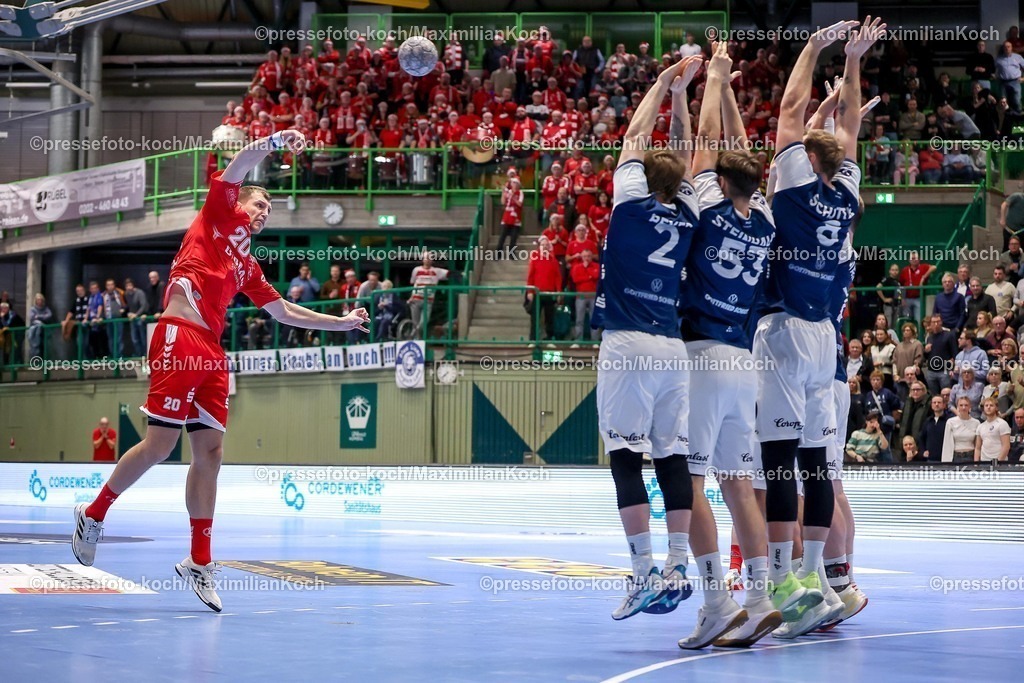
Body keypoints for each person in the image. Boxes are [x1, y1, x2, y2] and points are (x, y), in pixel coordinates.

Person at [72, 129, 370, 613]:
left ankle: (199, 560)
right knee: (161, 444)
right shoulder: (215, 215)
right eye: (259, 207)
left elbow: (284, 312)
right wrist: (273, 140)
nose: (262, 214)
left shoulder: (247, 265)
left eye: (268, 213)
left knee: (210, 451)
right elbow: (239, 166)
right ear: (239, 203)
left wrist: (340, 322)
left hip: (212, 351)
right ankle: (94, 514)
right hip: (177, 334)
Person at [753, 16, 882, 638]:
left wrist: (814, 45)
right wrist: (855, 63)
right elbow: (851, 128)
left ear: (805, 160)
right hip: (828, 340)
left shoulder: (797, 189)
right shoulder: (848, 197)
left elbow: (789, 107)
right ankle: (823, 578)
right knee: (818, 468)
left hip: (783, 331)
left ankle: (791, 581)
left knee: (779, 462)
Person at [675, 43, 781, 650]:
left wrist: (713, 80)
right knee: (739, 481)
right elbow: (737, 158)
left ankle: (717, 601)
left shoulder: (710, 209)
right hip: (745, 361)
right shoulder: (762, 218)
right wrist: (731, 92)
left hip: (703, 355)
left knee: (687, 483)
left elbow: (708, 146)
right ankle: (761, 595)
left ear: (719, 183)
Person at [590, 53, 702, 621]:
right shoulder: (688, 213)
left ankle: (641, 575)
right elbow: (679, 156)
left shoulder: (630, 202)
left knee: (625, 460)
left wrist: (662, 84)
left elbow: (635, 137)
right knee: (672, 458)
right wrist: (684, 98)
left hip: (629, 343)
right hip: (672, 349)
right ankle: (680, 567)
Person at [941, 396, 981, 462]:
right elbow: (947, 444)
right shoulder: (950, 422)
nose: (963, 407)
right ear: (957, 407)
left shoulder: (976, 422)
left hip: (970, 456)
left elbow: (978, 445)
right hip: (956, 457)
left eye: (966, 405)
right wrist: (946, 462)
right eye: (961, 405)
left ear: (970, 407)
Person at [975, 397, 1010, 462]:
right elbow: (977, 448)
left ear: (996, 408)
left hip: (999, 463)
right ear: (983, 408)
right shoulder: (980, 426)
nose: (988, 407)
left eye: (991, 405)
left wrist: (998, 462)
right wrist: (976, 464)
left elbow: (1006, 446)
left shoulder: (1002, 424)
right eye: (986, 405)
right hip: (984, 463)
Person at [918, 395, 950, 462]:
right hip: (930, 459)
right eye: (934, 402)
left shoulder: (949, 421)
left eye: (939, 402)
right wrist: (923, 451)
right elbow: (921, 437)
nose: (936, 404)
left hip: (945, 459)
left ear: (944, 405)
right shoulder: (928, 421)